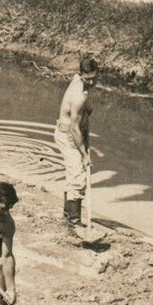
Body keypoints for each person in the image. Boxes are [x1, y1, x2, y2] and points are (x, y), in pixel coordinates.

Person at [54, 56, 98, 238]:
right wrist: (84, 154)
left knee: (73, 176)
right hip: (70, 136)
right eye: (88, 79)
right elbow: (74, 128)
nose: (92, 82)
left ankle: (67, 215)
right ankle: (74, 222)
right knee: (78, 178)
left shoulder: (81, 83)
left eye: (95, 77)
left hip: (74, 133)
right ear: (81, 75)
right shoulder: (79, 95)